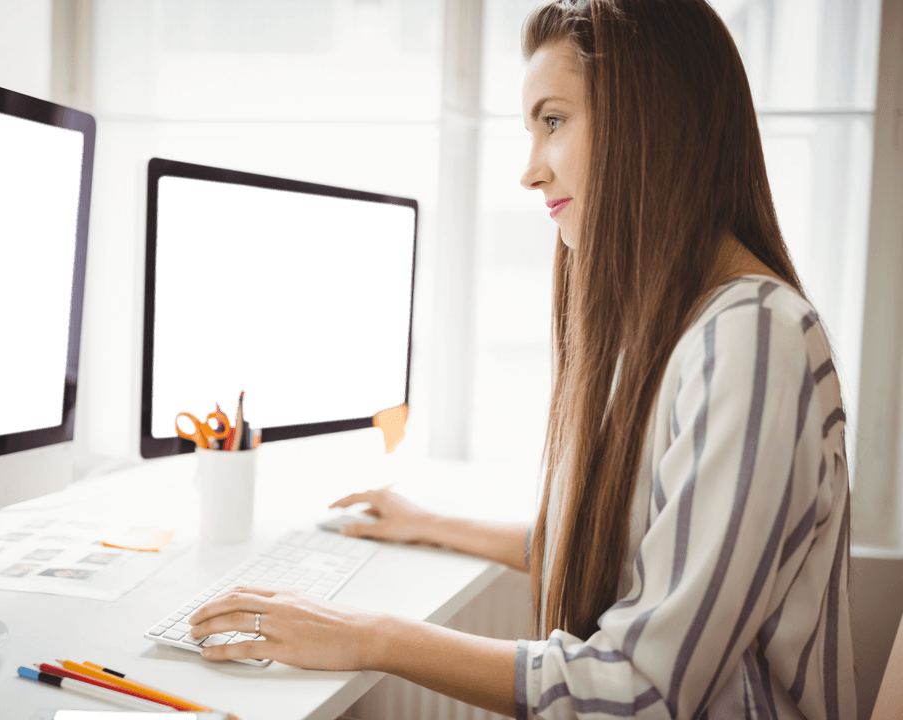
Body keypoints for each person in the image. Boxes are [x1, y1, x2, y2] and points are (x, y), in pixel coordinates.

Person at [189, 0, 856, 717]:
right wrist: (429, 523)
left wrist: (364, 635)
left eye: (554, 121)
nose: (530, 171)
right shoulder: (677, 329)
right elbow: (627, 547)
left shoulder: (753, 337)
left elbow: (643, 689)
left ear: (651, 123)